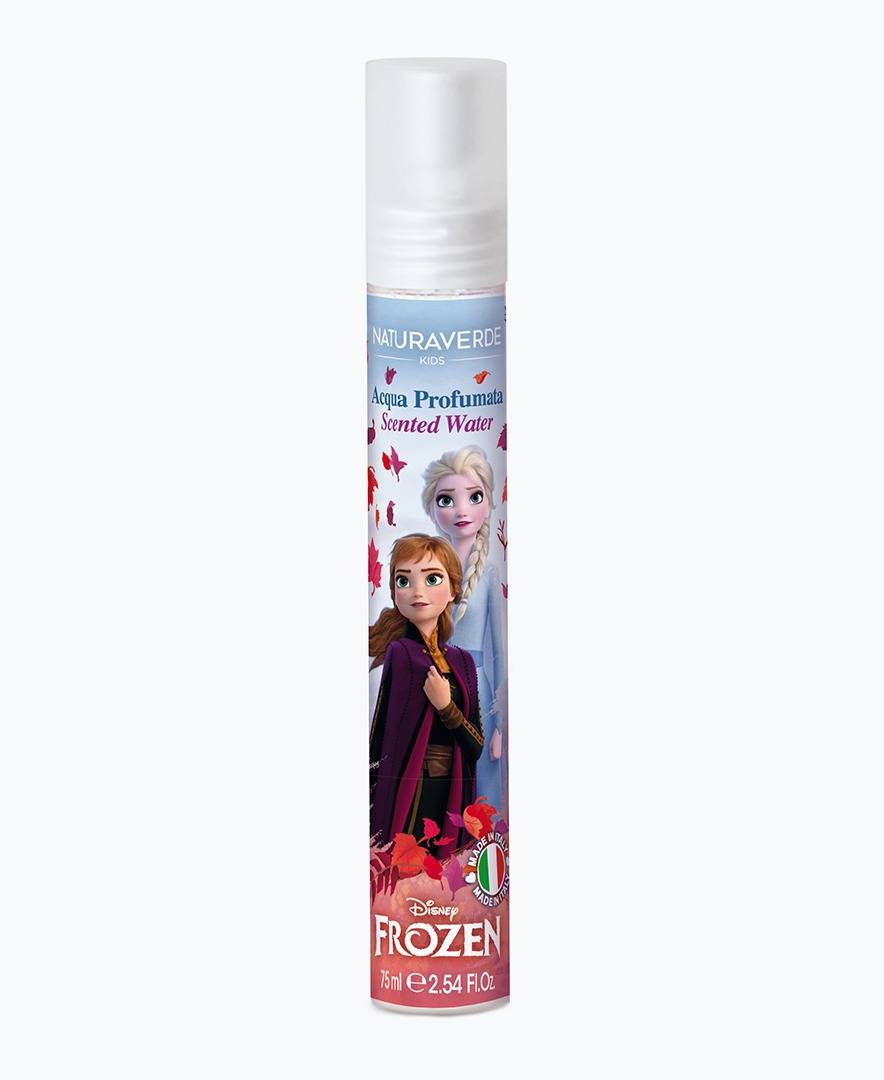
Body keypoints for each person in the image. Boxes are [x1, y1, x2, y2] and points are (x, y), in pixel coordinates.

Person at [369, 534, 483, 848]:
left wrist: (447, 707)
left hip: (454, 787)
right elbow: (382, 733)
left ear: (453, 590)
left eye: (432, 579)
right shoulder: (400, 654)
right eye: (403, 581)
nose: (417, 591)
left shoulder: (462, 661)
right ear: (394, 592)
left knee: (447, 863)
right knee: (408, 861)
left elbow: (475, 746)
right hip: (409, 786)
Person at [422, 446, 506, 812]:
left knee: (481, 778)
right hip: (433, 683)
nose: (461, 510)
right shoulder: (428, 567)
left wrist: (500, 722)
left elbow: (500, 651)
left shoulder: (490, 573)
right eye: (446, 499)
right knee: (438, 778)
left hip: (477, 689)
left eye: (474, 497)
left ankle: (482, 843)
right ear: (431, 507)